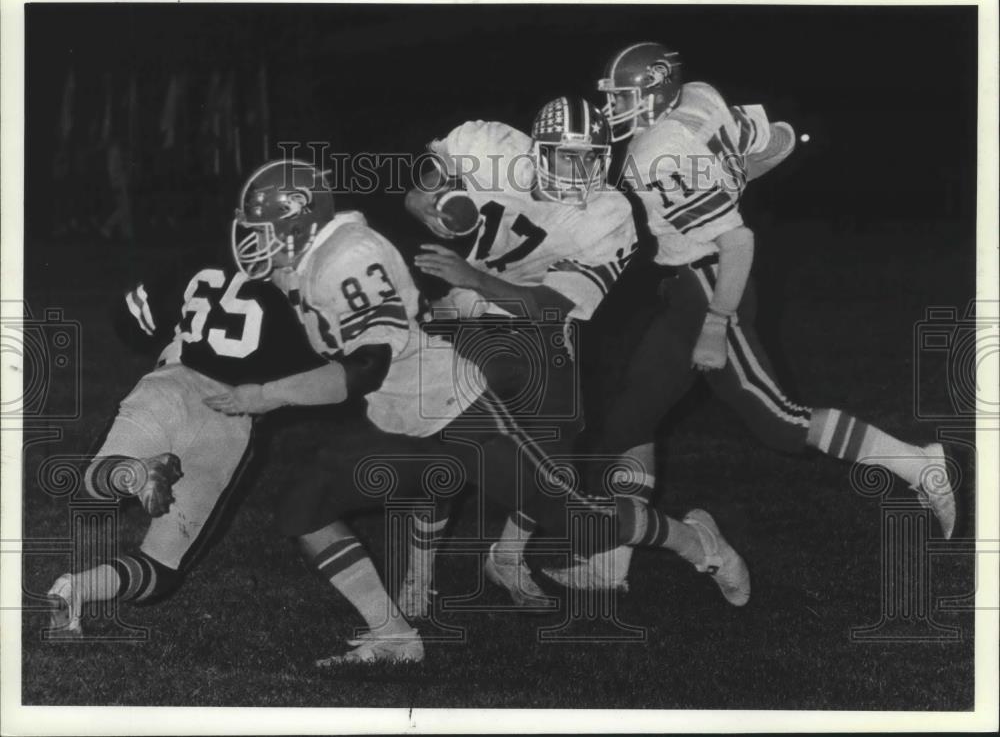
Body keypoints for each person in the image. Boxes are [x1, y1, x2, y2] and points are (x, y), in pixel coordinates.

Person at [209, 159, 750, 663]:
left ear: (299, 223)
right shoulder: (307, 259)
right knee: (304, 509)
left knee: (577, 523)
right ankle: (394, 633)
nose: (251, 242)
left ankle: (699, 543)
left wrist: (265, 396)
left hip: (462, 415)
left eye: (260, 230)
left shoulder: (349, 257)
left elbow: (364, 367)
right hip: (401, 420)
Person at [545, 42, 956, 592]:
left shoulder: (654, 151)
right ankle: (610, 564)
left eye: (624, 96)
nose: (616, 107)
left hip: (711, 285)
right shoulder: (699, 97)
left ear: (655, 89)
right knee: (627, 421)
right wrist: (732, 175)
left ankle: (919, 464)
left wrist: (717, 323)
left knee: (780, 423)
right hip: (686, 286)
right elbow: (780, 138)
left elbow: (738, 239)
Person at [403, 97, 638, 606]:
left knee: (554, 454)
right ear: (537, 151)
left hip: (542, 321)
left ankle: (507, 559)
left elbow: (547, 306)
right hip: (463, 310)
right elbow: (430, 178)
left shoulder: (609, 214)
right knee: (448, 448)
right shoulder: (490, 146)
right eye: (567, 157)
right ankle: (417, 579)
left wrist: (473, 276)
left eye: (592, 158)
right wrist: (421, 197)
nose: (582, 172)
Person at [46, 239, 327, 637]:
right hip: (231, 420)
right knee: (161, 569)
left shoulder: (203, 258)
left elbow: (130, 315)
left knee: (89, 494)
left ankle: (133, 473)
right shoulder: (313, 280)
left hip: (169, 385)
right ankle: (79, 588)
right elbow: (326, 377)